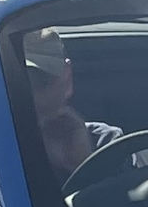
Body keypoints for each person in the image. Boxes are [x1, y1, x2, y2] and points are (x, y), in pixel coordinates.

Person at [19, 33, 123, 178]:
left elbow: (123, 199)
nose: (28, 95)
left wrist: (82, 163)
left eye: (39, 80)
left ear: (67, 79)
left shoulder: (107, 145)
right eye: (14, 83)